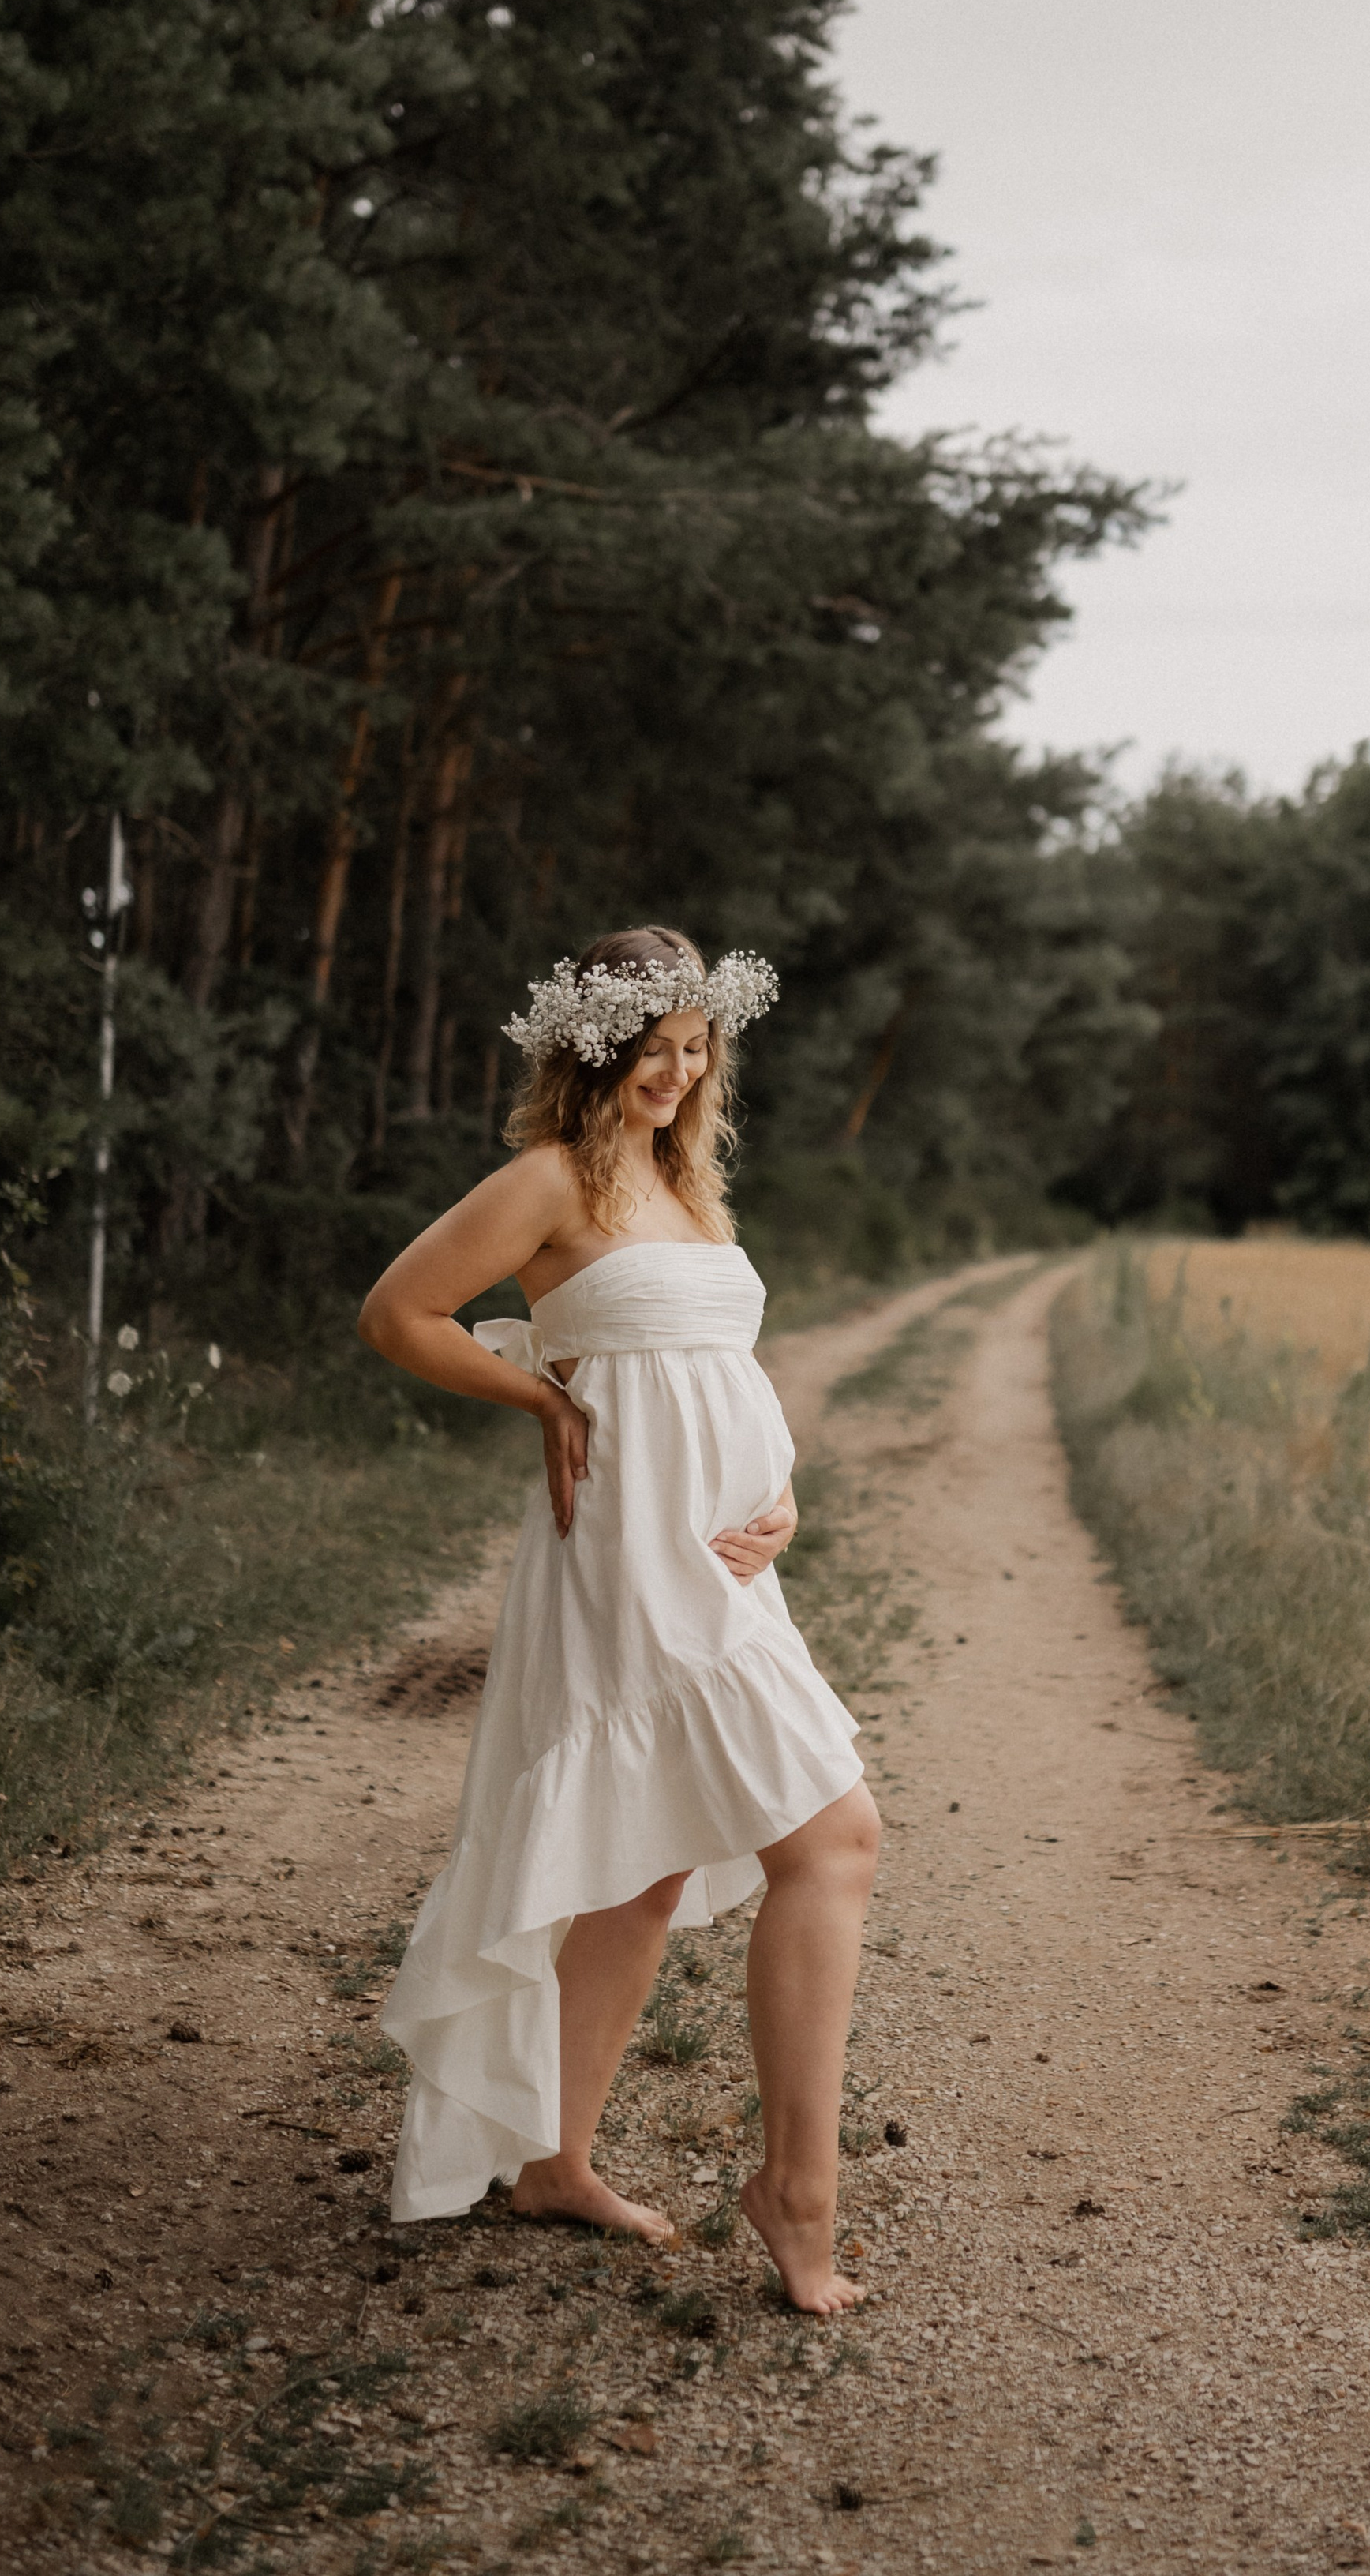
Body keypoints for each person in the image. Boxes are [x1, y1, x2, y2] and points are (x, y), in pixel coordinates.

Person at [356, 924, 879, 2314]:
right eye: (654, 1044)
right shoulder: (543, 1181)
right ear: (592, 1046)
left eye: (696, 1044)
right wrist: (538, 1394)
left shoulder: (684, 1183)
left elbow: (715, 1370)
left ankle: (551, 2162)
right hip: (630, 1559)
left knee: (641, 1870)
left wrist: (783, 1494)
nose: (679, 1068)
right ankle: (799, 2192)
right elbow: (400, 1311)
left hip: (727, 1561)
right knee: (835, 1838)